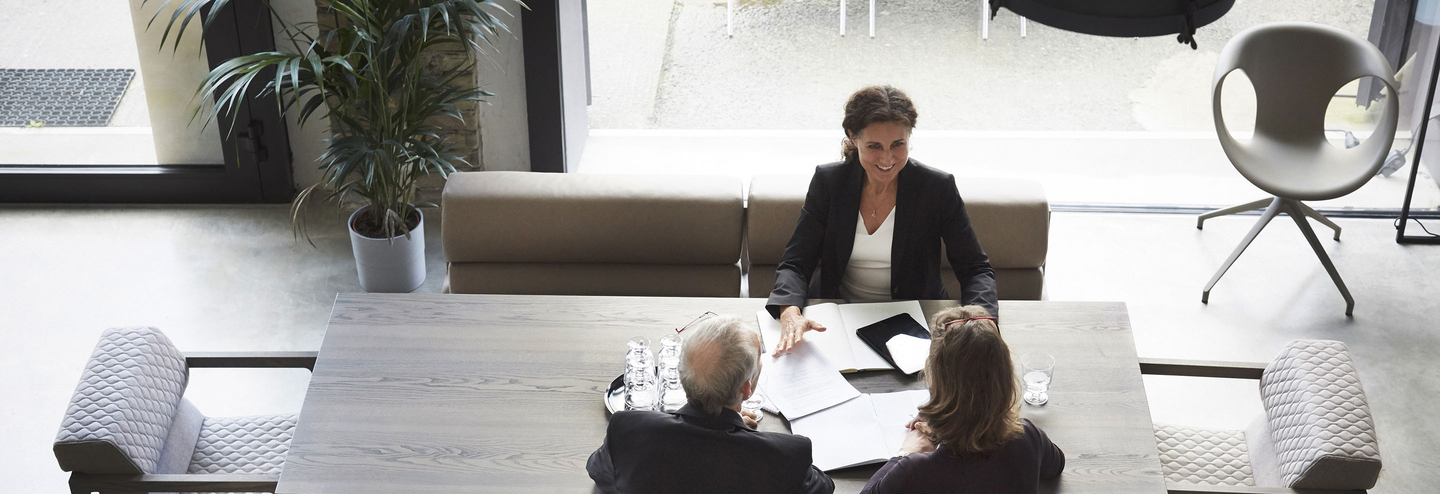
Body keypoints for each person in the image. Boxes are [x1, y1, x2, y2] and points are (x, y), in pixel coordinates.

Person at [767, 85, 998, 354]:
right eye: (874, 146)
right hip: (839, 317)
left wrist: (980, 323)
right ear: (853, 137)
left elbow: (975, 270)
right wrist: (790, 312)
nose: (887, 158)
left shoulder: (936, 188)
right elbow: (796, 262)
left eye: (898, 144)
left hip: (917, 320)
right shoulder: (829, 182)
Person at [586, 315, 834, 494]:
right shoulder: (785, 454)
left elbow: (600, 472)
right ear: (746, 388)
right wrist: (748, 437)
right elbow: (823, 487)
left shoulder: (628, 428)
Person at [861, 305, 1064, 494]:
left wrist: (906, 452)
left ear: (935, 377)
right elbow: (1056, 465)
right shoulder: (1029, 436)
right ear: (1005, 375)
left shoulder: (916, 470)